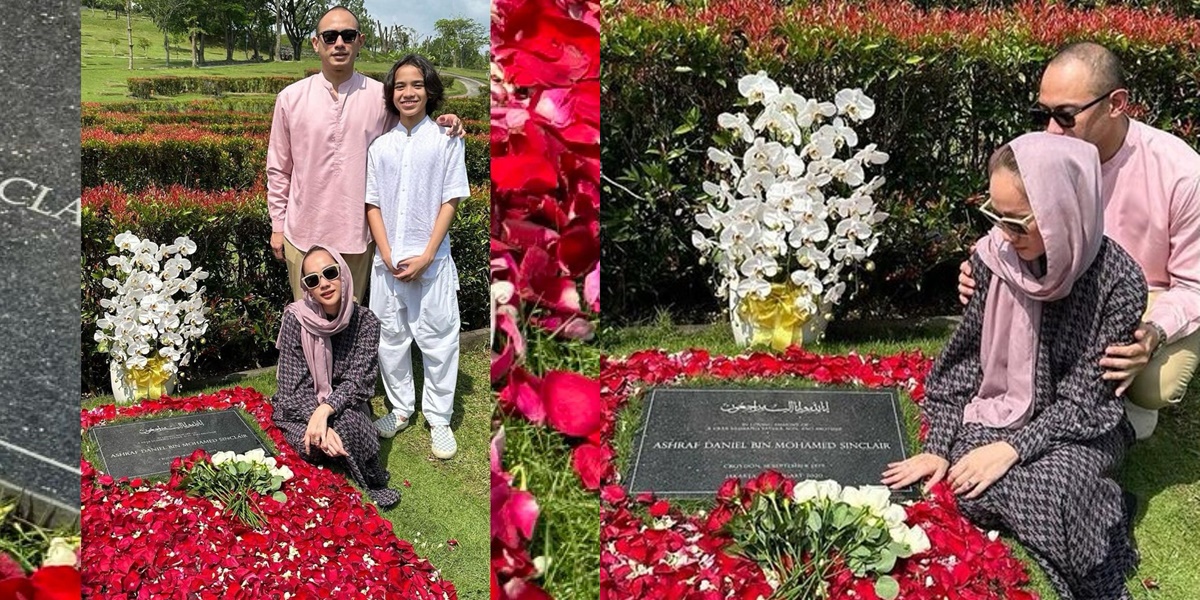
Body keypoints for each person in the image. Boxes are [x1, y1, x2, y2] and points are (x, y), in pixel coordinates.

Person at [887, 133, 1145, 599]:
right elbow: (963, 369)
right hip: (998, 414)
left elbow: (1087, 401)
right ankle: (1090, 507)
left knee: (1059, 484)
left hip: (1081, 429)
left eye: (1017, 222)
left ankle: (1090, 520)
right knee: (967, 482)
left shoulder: (1120, 283)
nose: (1004, 234)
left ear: (1063, 210)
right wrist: (941, 448)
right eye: (996, 217)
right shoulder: (996, 260)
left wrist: (1012, 450)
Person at [958, 42, 1200, 439]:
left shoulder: (1182, 173)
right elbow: (1016, 219)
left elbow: (1194, 285)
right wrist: (983, 265)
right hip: (1066, 284)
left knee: (1154, 382)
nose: (1051, 130)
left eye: (1065, 116)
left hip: (1148, 297)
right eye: (1043, 114)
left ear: (1117, 103)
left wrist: (1153, 334)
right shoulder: (1052, 152)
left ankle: (1126, 400)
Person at [267, 5, 463, 304]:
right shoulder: (290, 99)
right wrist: (278, 227)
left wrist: (443, 123)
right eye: (330, 36)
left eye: (347, 35)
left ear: (360, 40)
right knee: (309, 324)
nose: (339, 44)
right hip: (302, 233)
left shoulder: (379, 97)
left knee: (352, 324)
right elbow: (279, 169)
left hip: (356, 235)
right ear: (316, 43)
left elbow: (410, 135)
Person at [365, 55, 469, 460]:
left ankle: (439, 418)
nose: (408, 93)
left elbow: (450, 200)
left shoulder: (446, 140)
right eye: (400, 86)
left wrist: (426, 255)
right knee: (390, 341)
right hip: (388, 264)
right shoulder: (380, 146)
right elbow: (372, 204)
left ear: (429, 91)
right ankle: (400, 409)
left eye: (416, 85)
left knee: (439, 339)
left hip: (432, 262)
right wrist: (387, 255)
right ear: (391, 93)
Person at [271, 246, 400, 507]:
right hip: (300, 409)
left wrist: (326, 411)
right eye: (313, 279)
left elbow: (359, 382)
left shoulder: (366, 322)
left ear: (343, 274)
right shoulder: (296, 319)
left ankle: (345, 456)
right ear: (307, 288)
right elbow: (291, 388)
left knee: (351, 425)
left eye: (330, 273)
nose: (324, 284)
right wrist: (317, 418)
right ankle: (332, 446)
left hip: (347, 405)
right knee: (312, 440)